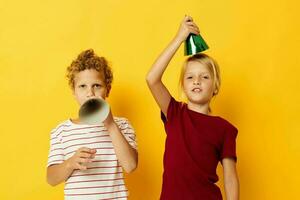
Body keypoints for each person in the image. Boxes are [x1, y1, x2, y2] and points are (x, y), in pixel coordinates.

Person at [146, 16, 239, 200]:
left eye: (204, 77)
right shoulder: (174, 113)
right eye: (190, 77)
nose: (196, 81)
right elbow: (152, 79)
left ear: (216, 86)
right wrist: (179, 38)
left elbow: (230, 177)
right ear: (183, 85)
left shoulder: (225, 129)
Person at [47, 49, 138, 200]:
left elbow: (130, 166)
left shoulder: (121, 125)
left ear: (107, 90)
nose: (90, 93)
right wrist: (70, 163)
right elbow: (51, 179)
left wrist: (110, 125)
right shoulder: (61, 131)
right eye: (82, 86)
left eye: (97, 85)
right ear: (73, 91)